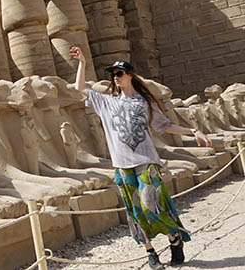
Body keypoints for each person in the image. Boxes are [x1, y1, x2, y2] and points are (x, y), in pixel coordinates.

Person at [69, 46, 212, 269]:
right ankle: (151, 253)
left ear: (130, 76)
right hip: (122, 165)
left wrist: (192, 131)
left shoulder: (145, 102)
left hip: (146, 161)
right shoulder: (107, 103)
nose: (116, 78)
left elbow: (164, 126)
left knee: (151, 206)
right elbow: (79, 88)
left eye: (120, 73)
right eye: (113, 74)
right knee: (135, 211)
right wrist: (83, 63)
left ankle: (174, 240)